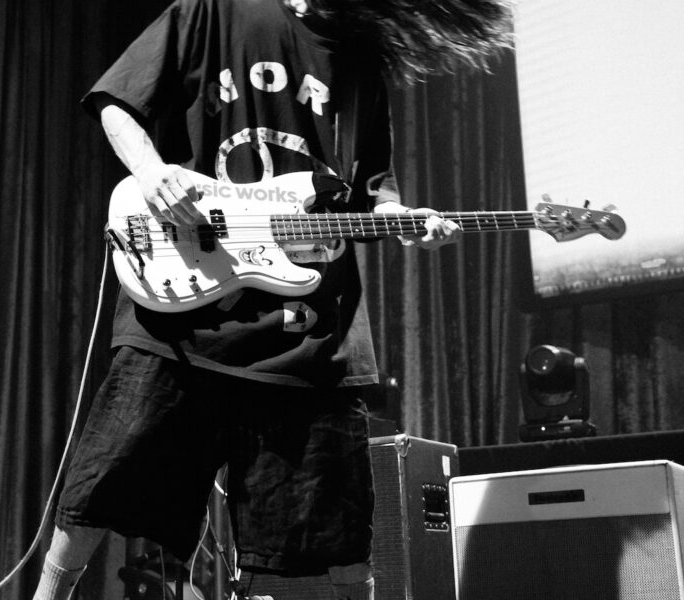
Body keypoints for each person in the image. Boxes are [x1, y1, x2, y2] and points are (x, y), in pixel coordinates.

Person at [32, 0, 511, 599]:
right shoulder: (210, 11)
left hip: (307, 335)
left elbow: (369, 190)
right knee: (100, 487)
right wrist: (151, 173)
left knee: (329, 543)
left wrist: (404, 219)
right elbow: (115, 101)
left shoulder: (358, 57)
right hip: (186, 311)